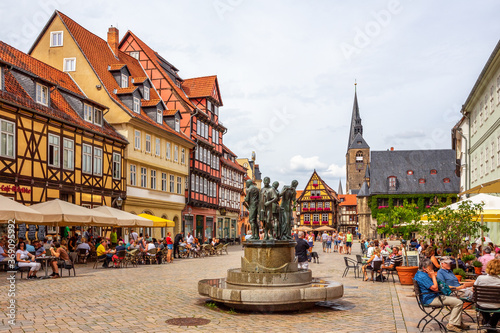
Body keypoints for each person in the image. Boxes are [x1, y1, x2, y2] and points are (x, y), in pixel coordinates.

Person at [414, 258, 469, 332]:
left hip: (429, 297)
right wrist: (433, 276)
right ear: (425, 268)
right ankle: (451, 325)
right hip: (430, 299)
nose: (432, 269)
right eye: (430, 267)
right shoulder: (423, 276)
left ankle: (458, 323)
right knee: (458, 302)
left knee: (454, 300)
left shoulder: (419, 274)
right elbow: (435, 288)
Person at [474, 259, 500, 333]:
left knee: (483, 304)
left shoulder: (480, 278)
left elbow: (474, 289)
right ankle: (491, 324)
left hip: (481, 304)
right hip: (497, 305)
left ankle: (489, 325)